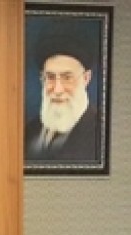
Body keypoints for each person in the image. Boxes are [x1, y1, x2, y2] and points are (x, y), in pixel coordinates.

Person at [25, 32, 101, 164]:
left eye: (67, 78)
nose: (57, 90)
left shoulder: (99, 131)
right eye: (50, 77)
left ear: (86, 78)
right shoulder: (30, 131)